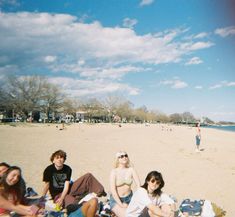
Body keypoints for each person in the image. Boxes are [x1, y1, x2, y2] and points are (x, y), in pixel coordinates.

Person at [41, 150, 106, 209]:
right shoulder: (48, 170)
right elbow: (47, 185)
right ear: (53, 160)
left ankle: (101, 193)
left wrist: (62, 198)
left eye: (61, 158)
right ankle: (82, 200)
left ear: (64, 160)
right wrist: (42, 198)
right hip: (57, 195)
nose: (59, 160)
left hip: (68, 189)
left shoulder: (67, 169)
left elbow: (66, 186)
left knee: (88, 176)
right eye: (57, 158)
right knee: (74, 203)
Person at [109, 151, 140, 217]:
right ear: (118, 159)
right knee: (127, 215)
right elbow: (113, 191)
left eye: (126, 155)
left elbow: (138, 185)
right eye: (122, 156)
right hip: (116, 200)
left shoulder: (131, 170)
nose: (124, 157)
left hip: (129, 198)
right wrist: (121, 205)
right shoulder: (114, 172)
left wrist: (136, 199)